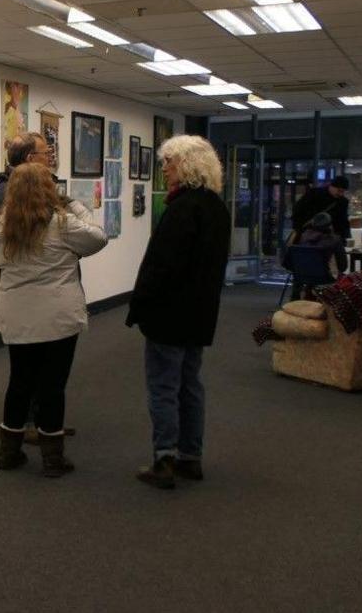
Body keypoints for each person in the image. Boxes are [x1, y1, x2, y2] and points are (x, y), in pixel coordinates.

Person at [126, 135, 231, 490]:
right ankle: (191, 457)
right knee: (190, 385)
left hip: (170, 314)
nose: (164, 170)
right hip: (199, 313)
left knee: (163, 386)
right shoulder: (216, 208)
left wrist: (140, 305)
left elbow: (161, 267)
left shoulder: (182, 208)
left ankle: (164, 459)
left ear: (186, 165)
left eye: (168, 163)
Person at [0, 163, 107, 477]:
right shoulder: (63, 223)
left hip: (19, 313)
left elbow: (1, 260)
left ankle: (8, 452)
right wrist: (76, 205)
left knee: (20, 382)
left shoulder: (3, 226)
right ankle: (53, 460)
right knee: (52, 386)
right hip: (58, 316)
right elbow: (98, 237)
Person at [0, 132, 53, 252]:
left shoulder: (12, 189)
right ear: (30, 158)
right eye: (46, 154)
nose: (49, 160)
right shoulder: (9, 194)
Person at [284, 211, 348, 288]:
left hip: (301, 277)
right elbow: (343, 266)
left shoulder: (303, 237)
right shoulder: (335, 240)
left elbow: (288, 264)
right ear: (330, 225)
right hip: (325, 278)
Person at [291, 175, 351, 241]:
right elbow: (298, 210)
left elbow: (342, 221)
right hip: (307, 233)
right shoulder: (314, 194)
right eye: (339, 190)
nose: (341, 194)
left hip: (327, 237)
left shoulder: (342, 202)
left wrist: (342, 238)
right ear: (331, 186)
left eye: (343, 191)